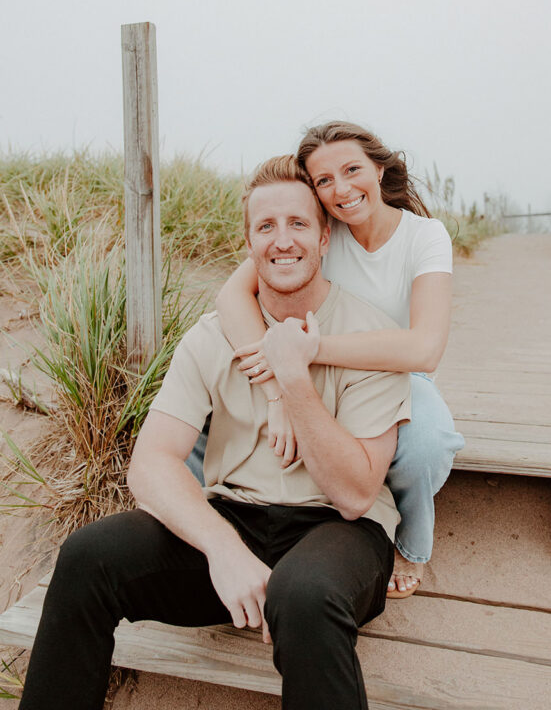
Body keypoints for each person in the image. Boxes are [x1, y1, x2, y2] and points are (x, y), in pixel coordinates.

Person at [19, 156, 411, 710]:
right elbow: (151, 463)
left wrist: (292, 381)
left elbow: (354, 494)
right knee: (88, 555)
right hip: (234, 517)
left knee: (304, 594)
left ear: (326, 237)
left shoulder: (371, 335)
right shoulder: (211, 337)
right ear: (248, 244)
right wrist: (223, 549)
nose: (283, 241)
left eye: (298, 224)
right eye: (266, 227)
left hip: (339, 532)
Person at [215, 121, 464, 598]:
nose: (341, 189)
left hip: (397, 375)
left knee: (426, 443)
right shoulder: (321, 234)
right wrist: (276, 391)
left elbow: (425, 348)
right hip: (313, 374)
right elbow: (231, 296)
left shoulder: (425, 237)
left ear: (380, 167)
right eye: (324, 181)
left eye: (352, 170)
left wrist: (310, 350)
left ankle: (411, 545)